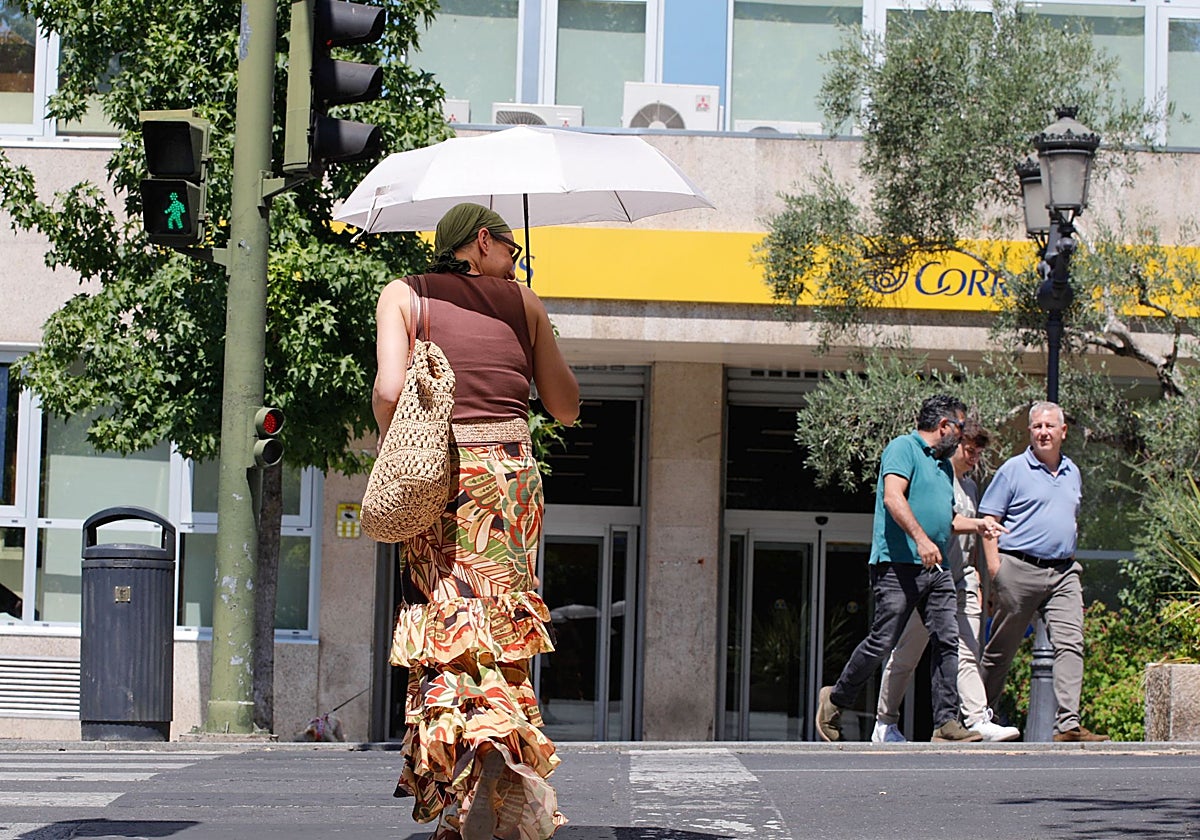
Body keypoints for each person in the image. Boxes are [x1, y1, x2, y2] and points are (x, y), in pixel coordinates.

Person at [373, 202, 579, 840]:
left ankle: (463, 784)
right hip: (511, 482)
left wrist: (408, 449)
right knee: (499, 633)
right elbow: (566, 407)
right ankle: (502, 774)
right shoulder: (526, 303)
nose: (515, 257)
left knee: (448, 631)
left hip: (446, 478)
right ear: (482, 241)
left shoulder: (405, 296)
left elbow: (387, 390)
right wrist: (529, 316)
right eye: (512, 247)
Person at [816, 394, 1004, 743]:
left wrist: (979, 526)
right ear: (944, 426)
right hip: (897, 566)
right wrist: (920, 539)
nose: (962, 437)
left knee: (948, 641)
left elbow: (947, 518)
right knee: (882, 641)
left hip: (938, 569)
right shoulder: (902, 448)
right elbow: (893, 497)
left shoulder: (944, 465)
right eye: (960, 428)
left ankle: (946, 723)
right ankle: (835, 699)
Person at [870, 419, 1020, 743]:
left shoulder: (970, 486)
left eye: (979, 453)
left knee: (966, 649)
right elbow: (949, 524)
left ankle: (978, 718)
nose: (974, 458)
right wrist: (979, 525)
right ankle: (884, 722)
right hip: (932, 577)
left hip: (963, 578)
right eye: (969, 450)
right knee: (907, 654)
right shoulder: (937, 477)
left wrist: (979, 577)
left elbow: (972, 540)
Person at [978, 401, 1109, 742]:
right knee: (1001, 649)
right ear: (1030, 432)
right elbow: (989, 521)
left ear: (1063, 432)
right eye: (1037, 426)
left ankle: (1068, 724)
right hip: (1019, 569)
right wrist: (996, 569)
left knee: (1071, 643)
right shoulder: (1013, 470)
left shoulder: (1072, 472)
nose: (1043, 432)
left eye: (1050, 426)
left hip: (1064, 572)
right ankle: (976, 718)